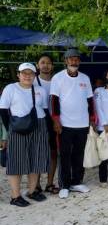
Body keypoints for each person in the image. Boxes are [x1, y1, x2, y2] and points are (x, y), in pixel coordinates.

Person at [0, 63, 50, 207]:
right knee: (16, 161)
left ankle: (32, 191)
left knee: (36, 158)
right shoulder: (11, 88)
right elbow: (3, 110)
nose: (27, 76)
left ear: (35, 75)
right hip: (18, 127)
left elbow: (45, 111)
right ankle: (15, 196)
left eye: (31, 73)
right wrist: (10, 129)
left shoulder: (40, 90)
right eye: (24, 73)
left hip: (39, 126)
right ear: (18, 74)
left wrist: (47, 129)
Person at [50, 49, 95, 199]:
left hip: (82, 124)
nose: (74, 62)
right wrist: (56, 120)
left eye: (76, 59)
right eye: (71, 59)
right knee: (64, 155)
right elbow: (54, 101)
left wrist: (92, 119)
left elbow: (90, 101)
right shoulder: (57, 78)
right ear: (65, 61)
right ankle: (64, 185)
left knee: (79, 154)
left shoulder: (85, 78)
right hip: (65, 124)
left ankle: (76, 182)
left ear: (79, 62)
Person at [34, 54, 59, 194]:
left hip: (55, 121)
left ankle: (49, 183)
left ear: (52, 66)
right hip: (38, 121)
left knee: (53, 153)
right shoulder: (32, 81)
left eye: (48, 63)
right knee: (38, 153)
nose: (45, 65)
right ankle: (36, 184)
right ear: (38, 65)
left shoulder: (58, 80)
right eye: (42, 62)